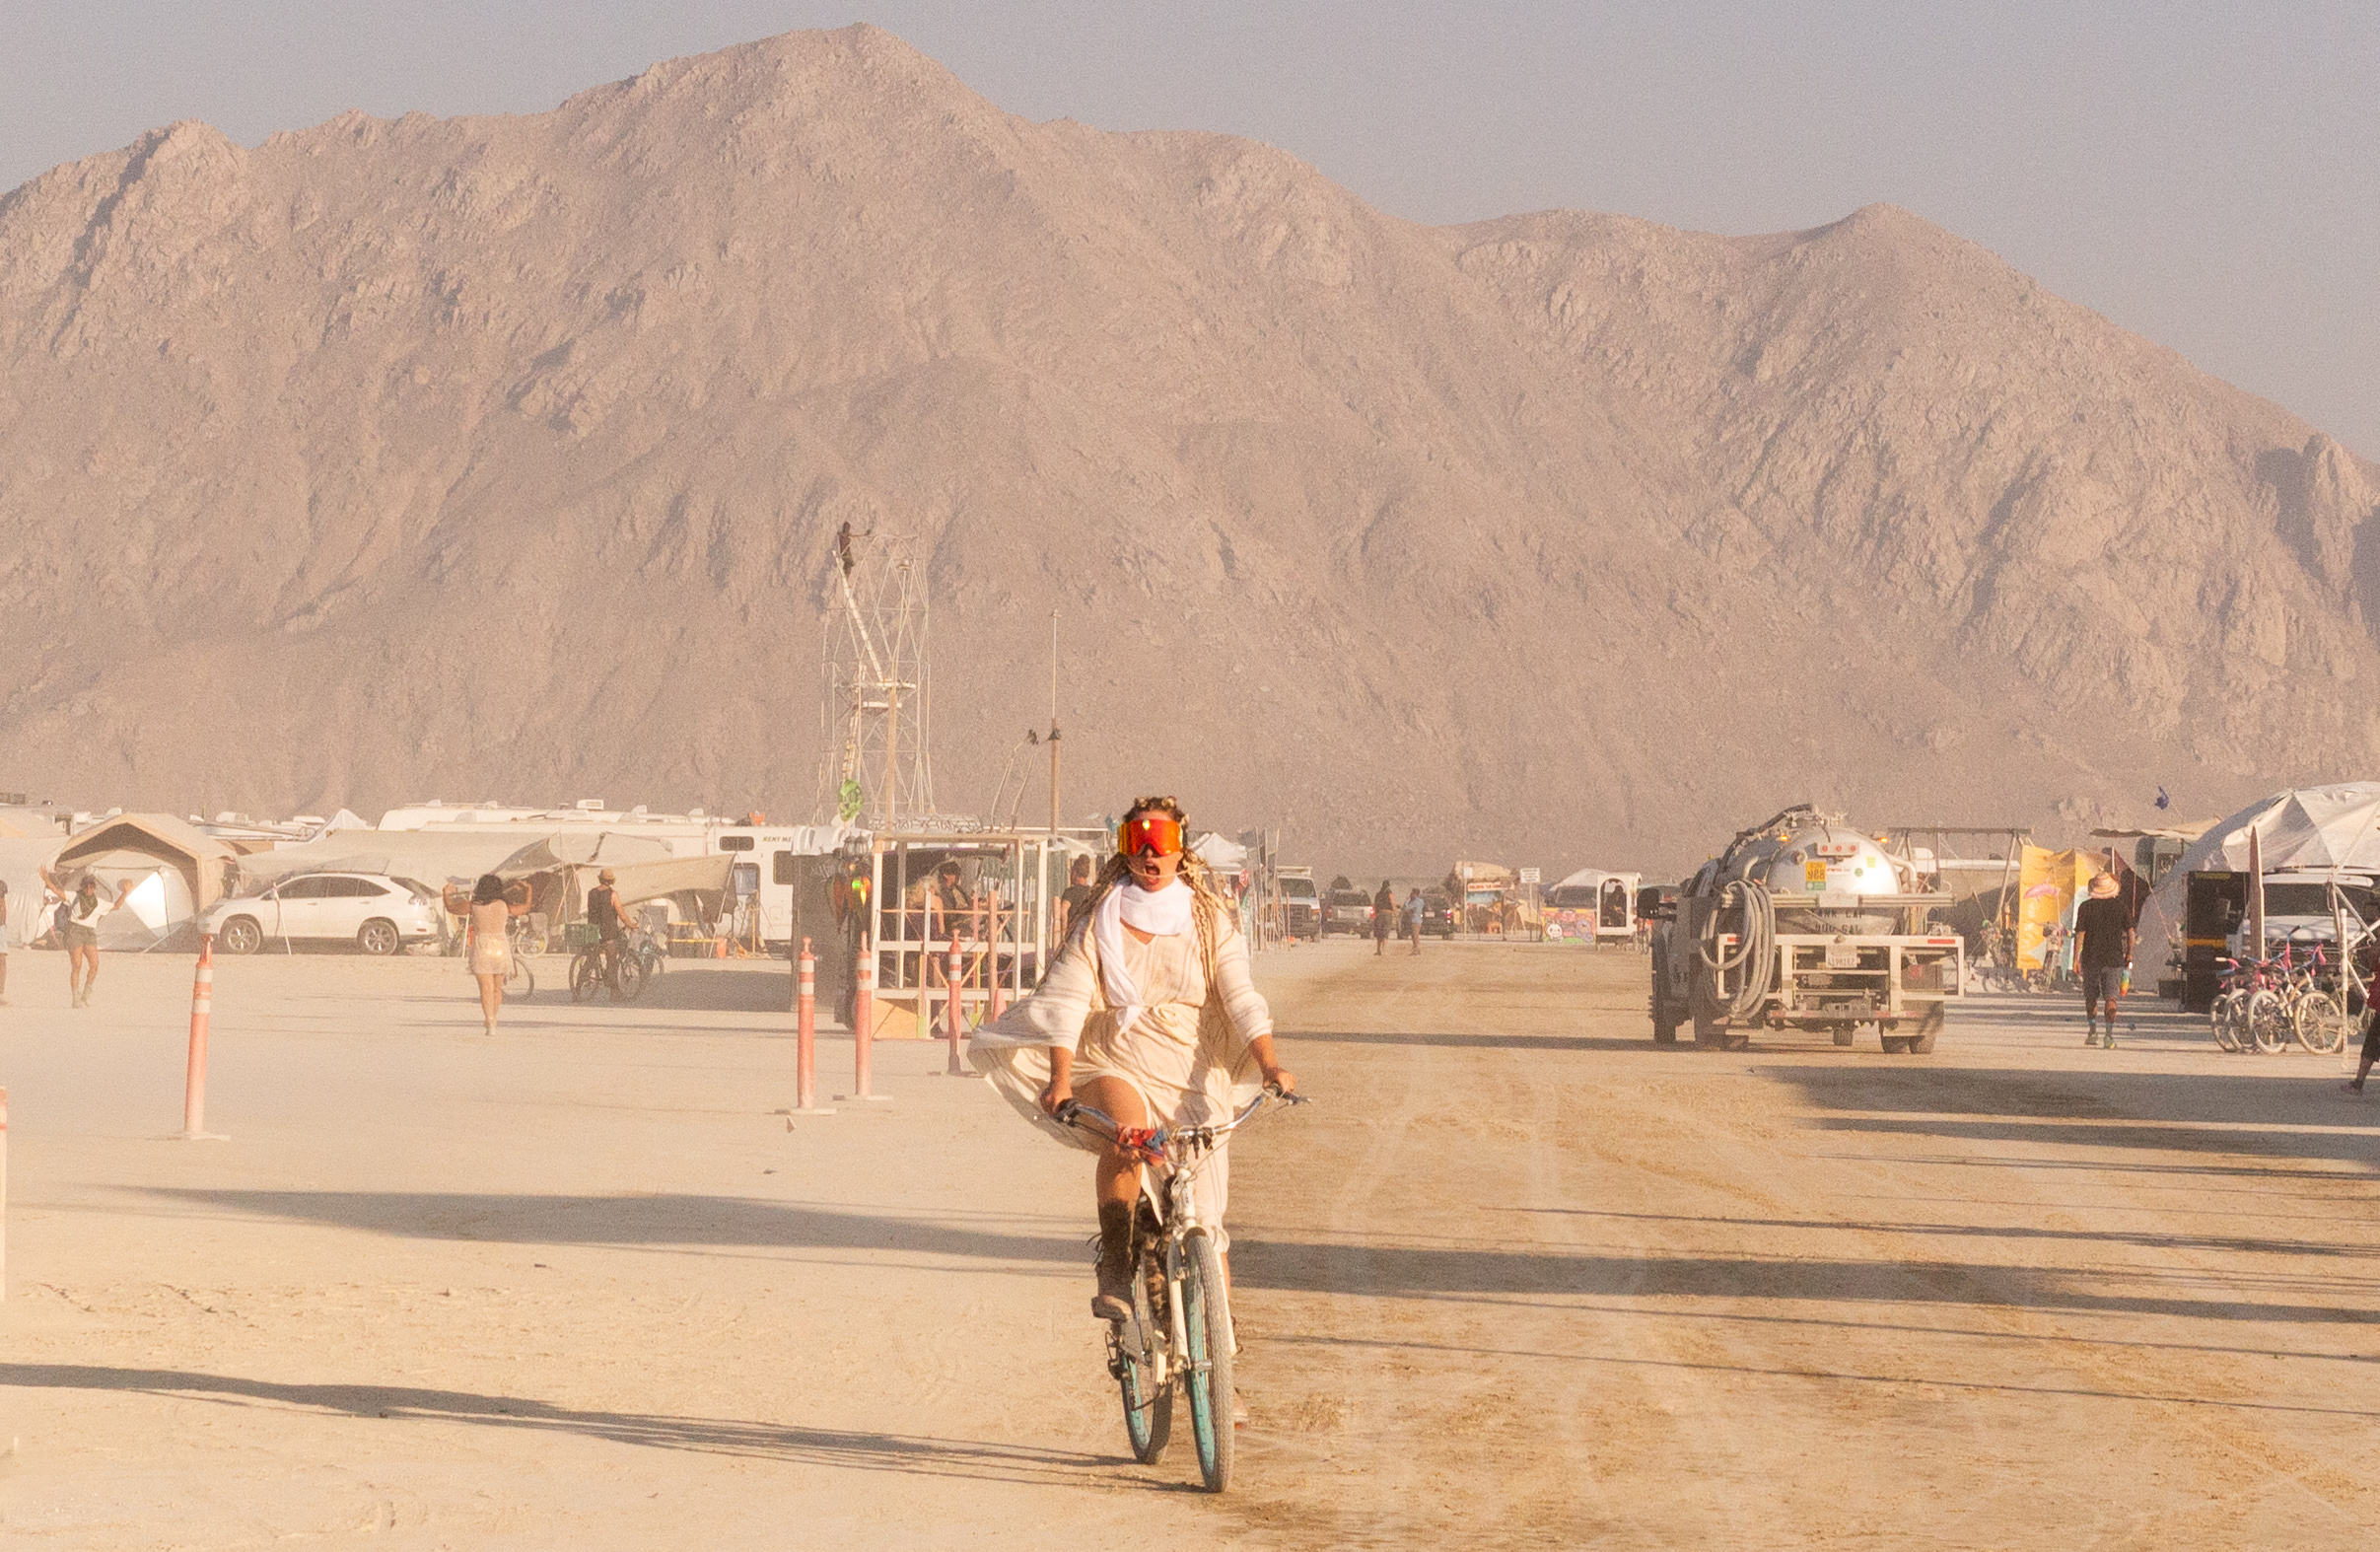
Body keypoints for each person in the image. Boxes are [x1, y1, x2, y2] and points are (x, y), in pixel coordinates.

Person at [968, 795, 1294, 1321]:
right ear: (1123, 849)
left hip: (1192, 1069)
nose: (1149, 852)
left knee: (1207, 1220)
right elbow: (1067, 1002)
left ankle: (1219, 1338)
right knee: (1128, 1135)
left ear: (1180, 849)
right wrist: (1059, 1080)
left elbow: (1241, 998)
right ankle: (1116, 1265)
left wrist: (1270, 1065)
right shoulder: (1100, 920)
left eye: (1161, 840)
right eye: (1135, 840)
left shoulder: (1209, 921)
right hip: (1113, 1055)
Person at [443, 874, 531, 1034]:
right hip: (500, 947)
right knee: (497, 988)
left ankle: (489, 1019)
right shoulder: (504, 906)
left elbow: (451, 908)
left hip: (481, 947)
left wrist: (446, 894)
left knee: (485, 988)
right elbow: (525, 906)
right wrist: (528, 889)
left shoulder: (472, 906)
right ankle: (493, 1019)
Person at [40, 867, 132, 1008]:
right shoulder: (75, 897)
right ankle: (75, 997)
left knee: (94, 964)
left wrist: (125, 892)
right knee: (77, 965)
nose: (89, 889)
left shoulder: (98, 902)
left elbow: (116, 906)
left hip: (89, 932)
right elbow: (58, 891)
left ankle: (86, 993)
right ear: (82, 887)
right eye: (86, 886)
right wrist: (46, 879)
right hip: (75, 930)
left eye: (91, 887)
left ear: (94, 888)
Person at [2073, 871, 2134, 1047]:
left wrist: (2076, 959)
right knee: (2111, 998)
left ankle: (2093, 1032)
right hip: (2114, 959)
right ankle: (2109, 1035)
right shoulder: (2121, 907)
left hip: (2090, 958)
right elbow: (2131, 934)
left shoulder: (2085, 907)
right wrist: (2129, 954)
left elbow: (2080, 935)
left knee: (2090, 997)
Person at [586, 867, 636, 984]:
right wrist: (630, 924)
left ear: (600, 879)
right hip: (607, 931)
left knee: (590, 959)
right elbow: (621, 913)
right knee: (612, 960)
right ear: (611, 881)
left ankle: (578, 987)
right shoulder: (613, 894)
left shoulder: (591, 893)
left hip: (592, 929)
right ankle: (614, 990)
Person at [1055, 855, 1096, 942]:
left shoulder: (1070, 892)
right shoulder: (1093, 892)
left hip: (1073, 934)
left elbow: (1063, 913)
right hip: (1089, 935)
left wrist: (1064, 934)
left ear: (1075, 873)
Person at [1371, 881, 1395, 956]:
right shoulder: (1389, 893)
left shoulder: (1378, 894)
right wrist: (1395, 913)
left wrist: (1376, 914)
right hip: (1387, 913)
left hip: (1379, 914)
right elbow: (1392, 903)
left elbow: (1375, 905)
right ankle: (1384, 950)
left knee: (1379, 932)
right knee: (1385, 932)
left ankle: (1378, 950)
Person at [1402, 887, 1424, 955]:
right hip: (1419, 920)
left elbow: (1407, 908)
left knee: (1414, 936)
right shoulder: (1421, 901)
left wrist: (1407, 901)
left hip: (1415, 920)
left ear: (1415, 893)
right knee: (1416, 936)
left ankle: (1416, 950)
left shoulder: (1415, 902)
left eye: (1412, 893)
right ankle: (1417, 950)